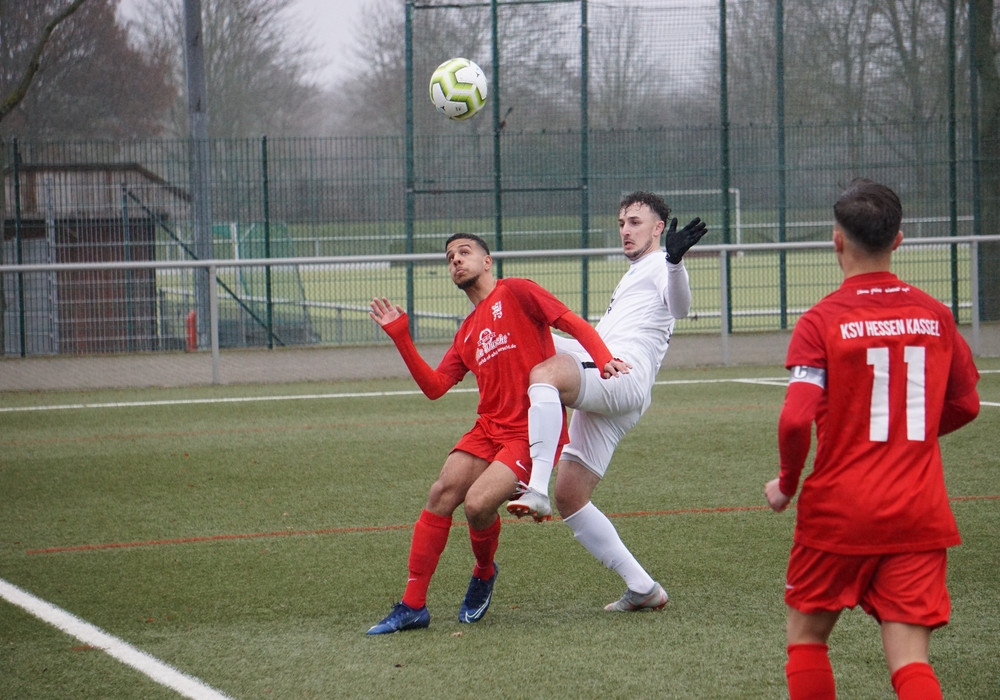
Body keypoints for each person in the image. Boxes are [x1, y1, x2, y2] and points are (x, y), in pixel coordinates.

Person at [763, 178, 980, 699]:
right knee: (910, 661)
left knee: (808, 640)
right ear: (898, 240)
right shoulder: (935, 315)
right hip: (918, 511)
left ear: (837, 241)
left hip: (840, 512)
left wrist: (788, 483)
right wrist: (911, 435)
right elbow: (966, 404)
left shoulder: (821, 321)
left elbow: (795, 420)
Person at [366, 232, 629, 634]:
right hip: (487, 427)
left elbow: (570, 321)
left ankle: (484, 572)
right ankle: (412, 606)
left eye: (465, 252)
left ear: (488, 261)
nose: (456, 260)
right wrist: (402, 337)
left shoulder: (518, 292)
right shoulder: (467, 331)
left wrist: (604, 358)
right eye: (450, 256)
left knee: (476, 505)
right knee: (441, 493)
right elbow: (435, 387)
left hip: (528, 432)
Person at [506, 190, 707, 611]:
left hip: (622, 375)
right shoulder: (634, 273)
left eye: (635, 222)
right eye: (621, 223)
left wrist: (675, 262)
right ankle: (643, 588)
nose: (625, 231)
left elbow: (682, 308)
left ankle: (535, 488)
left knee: (545, 373)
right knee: (572, 495)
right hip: (616, 381)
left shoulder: (659, 265)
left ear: (657, 228)